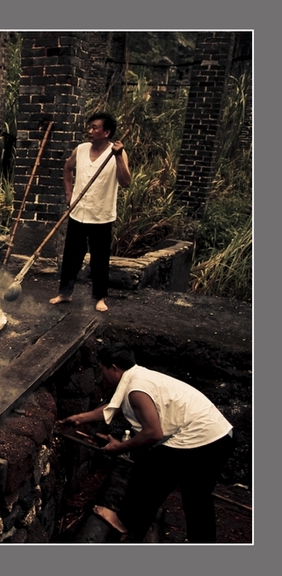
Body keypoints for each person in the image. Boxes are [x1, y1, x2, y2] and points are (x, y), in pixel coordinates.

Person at [58, 343, 234, 543]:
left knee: (149, 470)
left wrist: (119, 447)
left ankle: (127, 522)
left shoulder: (135, 389)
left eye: (102, 369)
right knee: (196, 497)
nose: (101, 375)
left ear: (114, 368)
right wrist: (81, 418)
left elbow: (153, 433)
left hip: (202, 440)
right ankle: (202, 542)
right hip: (220, 435)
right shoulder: (137, 377)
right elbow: (115, 406)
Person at [49, 112, 131, 312]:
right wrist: (69, 193)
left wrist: (119, 157)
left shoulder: (117, 153)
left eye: (95, 127)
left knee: (99, 259)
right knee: (71, 256)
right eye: (90, 127)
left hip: (101, 215)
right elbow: (67, 168)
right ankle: (65, 293)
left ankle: (100, 297)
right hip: (78, 211)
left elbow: (126, 182)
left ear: (107, 132)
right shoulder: (81, 149)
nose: (90, 131)